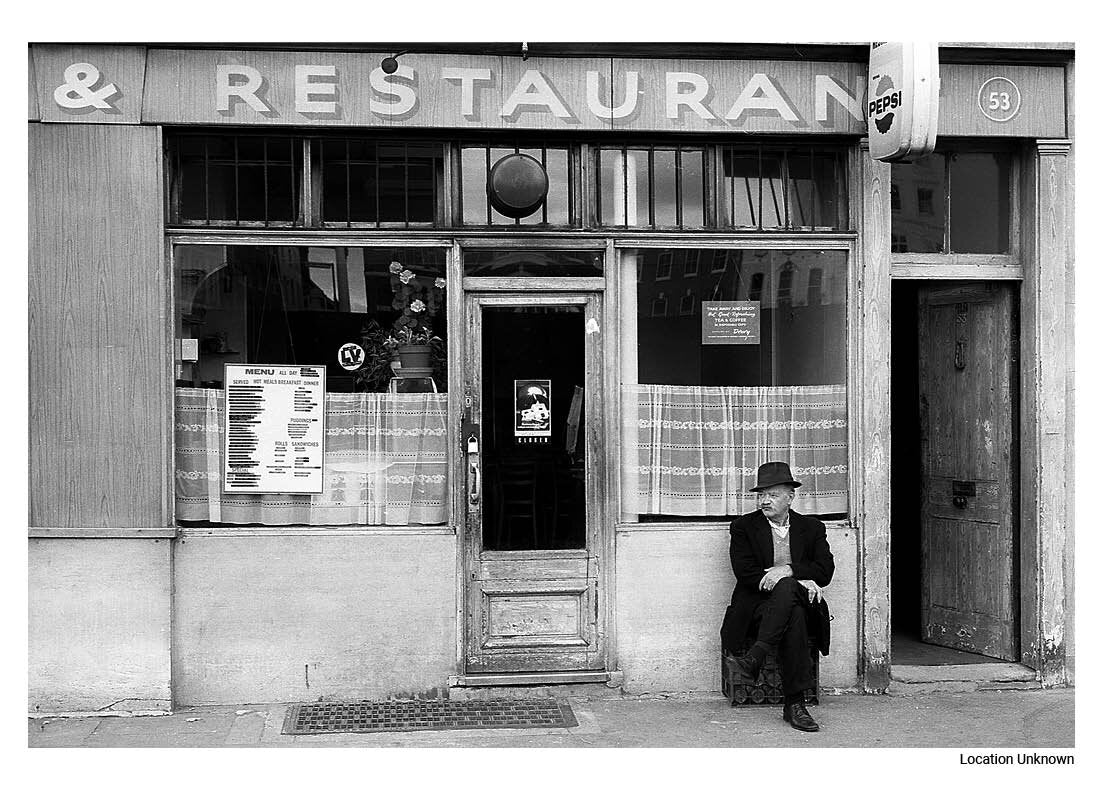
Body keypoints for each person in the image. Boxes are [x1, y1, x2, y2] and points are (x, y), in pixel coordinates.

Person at [721, 461, 835, 732]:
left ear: (790, 497)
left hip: (800, 603)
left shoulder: (812, 528)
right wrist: (799, 579)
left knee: (789, 595)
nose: (764, 501)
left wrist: (788, 570)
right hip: (758, 605)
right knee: (792, 610)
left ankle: (754, 658)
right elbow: (746, 573)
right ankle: (795, 705)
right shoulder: (743, 527)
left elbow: (825, 571)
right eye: (761, 495)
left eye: (772, 495)